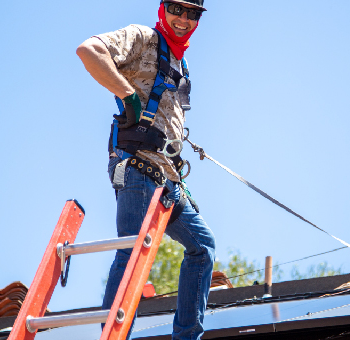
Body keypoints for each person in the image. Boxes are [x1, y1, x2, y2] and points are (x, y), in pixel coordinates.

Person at [76, 1, 215, 339]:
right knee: (134, 252)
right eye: (176, 10)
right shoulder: (144, 38)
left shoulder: (180, 63)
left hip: (168, 180)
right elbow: (89, 50)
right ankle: (114, 336)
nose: (183, 19)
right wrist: (126, 95)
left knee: (203, 247)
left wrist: (178, 174)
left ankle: (186, 337)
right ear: (163, 8)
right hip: (138, 169)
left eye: (192, 14)